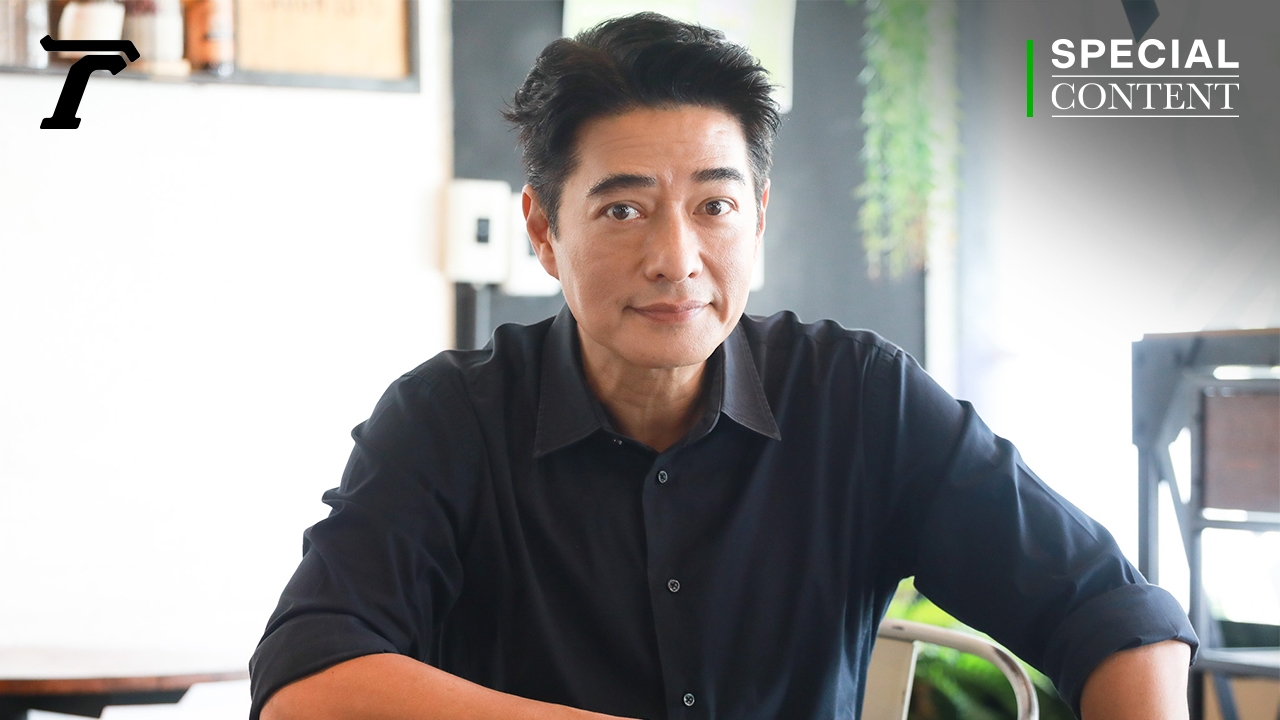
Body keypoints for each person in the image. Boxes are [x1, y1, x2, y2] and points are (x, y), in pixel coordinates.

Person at [250, 13, 1196, 720]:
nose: (676, 259)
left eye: (714, 206)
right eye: (623, 210)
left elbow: (1113, 612)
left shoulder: (857, 399)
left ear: (760, 216)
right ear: (543, 229)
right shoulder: (447, 420)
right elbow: (305, 680)